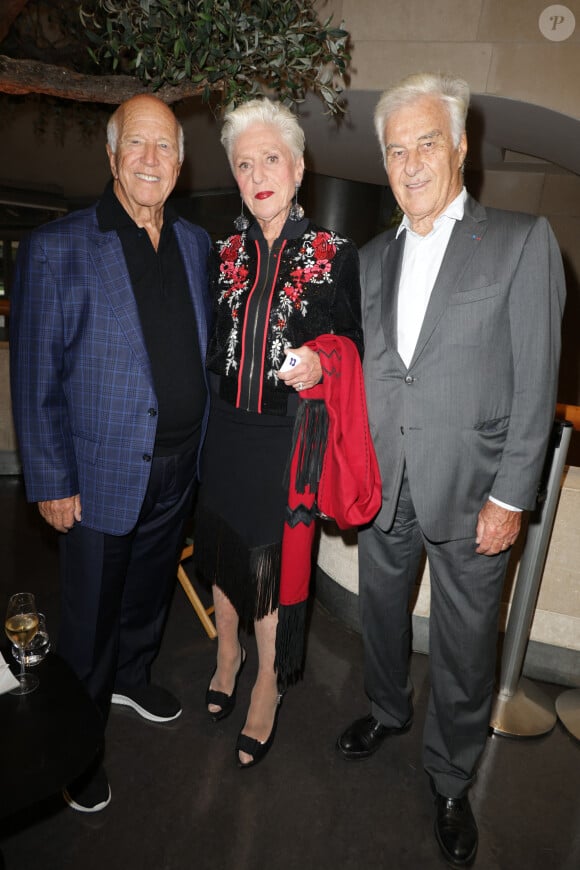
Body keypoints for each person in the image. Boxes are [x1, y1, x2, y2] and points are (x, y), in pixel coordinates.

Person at [336, 72, 565, 867]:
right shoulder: (366, 260)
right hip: (384, 485)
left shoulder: (520, 239)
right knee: (380, 615)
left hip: (476, 494)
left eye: (426, 143)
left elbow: (538, 382)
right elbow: (362, 373)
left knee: (467, 646)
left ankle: (448, 777)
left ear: (461, 147)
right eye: (396, 150)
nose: (410, 163)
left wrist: (512, 494)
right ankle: (387, 709)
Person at [10, 94, 212, 812]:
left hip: (177, 467)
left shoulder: (194, 245)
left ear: (182, 165)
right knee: (88, 617)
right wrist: (51, 479)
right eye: (137, 145)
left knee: (148, 593)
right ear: (112, 157)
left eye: (165, 148)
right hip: (95, 476)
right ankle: (78, 748)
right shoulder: (58, 247)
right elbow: (34, 375)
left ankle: (133, 675)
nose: (151, 159)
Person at [193, 97, 364, 768]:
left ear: (297, 167)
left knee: (268, 567)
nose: (258, 173)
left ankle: (267, 680)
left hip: (285, 436)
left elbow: (351, 338)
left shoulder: (334, 252)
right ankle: (225, 651)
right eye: (244, 163)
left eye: (271, 159)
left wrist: (322, 359)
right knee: (223, 551)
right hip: (225, 431)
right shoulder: (222, 251)